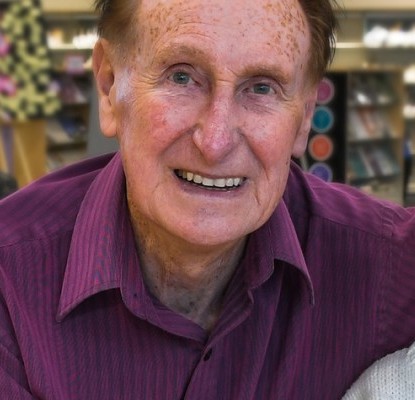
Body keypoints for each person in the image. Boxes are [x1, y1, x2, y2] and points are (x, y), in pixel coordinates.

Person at [0, 0, 414, 399]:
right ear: (109, 86)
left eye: (262, 88)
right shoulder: (11, 279)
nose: (215, 142)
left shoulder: (389, 268)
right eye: (181, 77)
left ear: (305, 117)